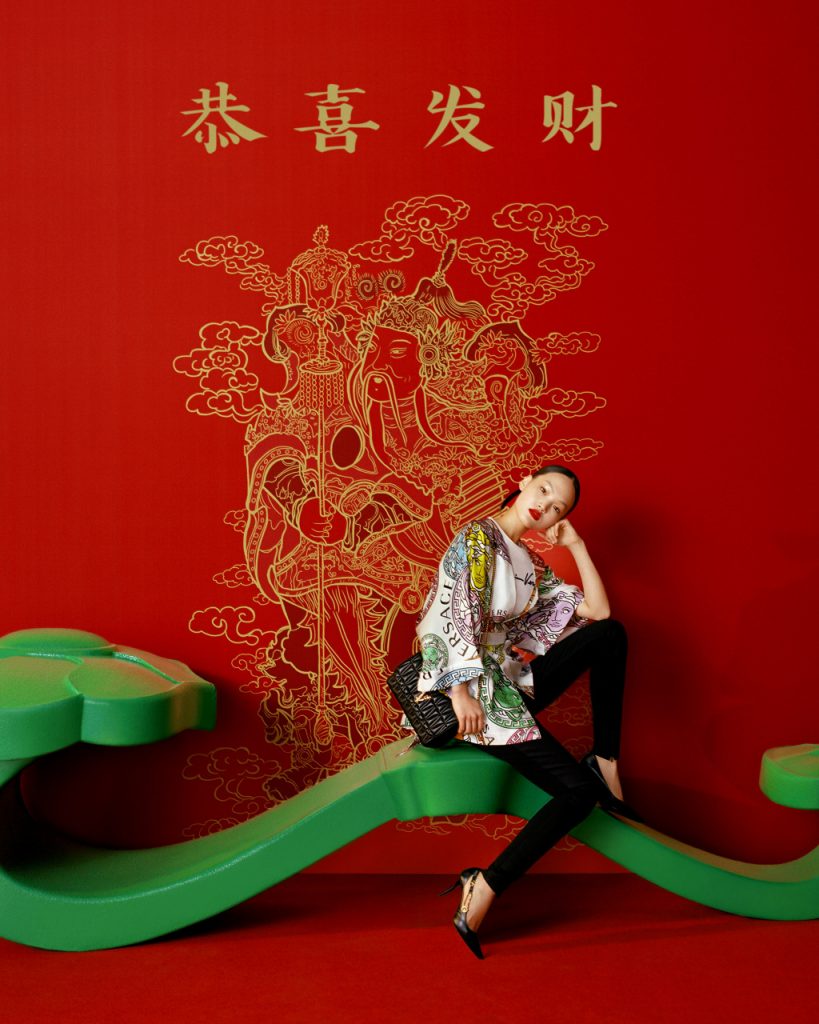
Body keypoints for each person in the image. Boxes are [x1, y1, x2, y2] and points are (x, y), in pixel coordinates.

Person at [413, 464, 637, 958]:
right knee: (577, 794)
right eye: (543, 491)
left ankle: (605, 759)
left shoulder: (529, 563)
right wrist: (459, 693)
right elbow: (449, 613)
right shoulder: (478, 537)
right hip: (471, 692)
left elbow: (597, 611)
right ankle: (486, 884)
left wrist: (576, 545)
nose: (545, 506)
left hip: (508, 681)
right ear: (523, 484)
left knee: (610, 635)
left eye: (558, 507)